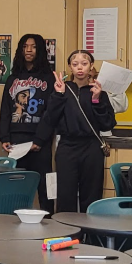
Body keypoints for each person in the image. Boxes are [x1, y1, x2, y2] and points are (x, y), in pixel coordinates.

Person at [48, 51, 116, 213]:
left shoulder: (99, 92)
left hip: (92, 147)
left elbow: (108, 124)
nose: (80, 68)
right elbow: (50, 119)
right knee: (65, 195)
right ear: (70, 68)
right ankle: (66, 235)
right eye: (75, 64)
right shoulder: (62, 90)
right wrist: (58, 95)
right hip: (67, 146)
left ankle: (90, 236)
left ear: (91, 66)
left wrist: (96, 100)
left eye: (84, 64)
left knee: (92, 196)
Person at [0, 34, 57, 213]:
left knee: (45, 186)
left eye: (33, 47)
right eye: (25, 46)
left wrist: (40, 139)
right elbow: (5, 109)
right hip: (16, 140)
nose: (29, 50)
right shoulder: (12, 78)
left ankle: (49, 220)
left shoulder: (49, 79)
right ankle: (16, 222)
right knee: (17, 185)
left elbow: (51, 112)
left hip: (40, 140)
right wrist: (4, 136)